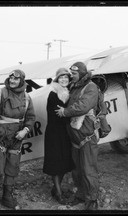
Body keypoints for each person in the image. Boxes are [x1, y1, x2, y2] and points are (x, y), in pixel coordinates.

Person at [0, 69, 35, 210]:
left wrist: (25, 130)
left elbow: (31, 117)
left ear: (22, 80)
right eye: (11, 78)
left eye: (16, 79)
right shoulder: (0, 93)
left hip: (16, 139)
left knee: (12, 169)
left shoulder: (27, 98)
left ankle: (7, 197)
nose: (12, 81)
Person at [55, 62, 100, 210]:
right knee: (77, 170)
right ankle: (81, 195)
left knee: (88, 170)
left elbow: (83, 106)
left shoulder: (91, 87)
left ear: (81, 73)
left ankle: (92, 201)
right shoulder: (74, 86)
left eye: (74, 73)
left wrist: (65, 112)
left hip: (87, 137)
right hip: (75, 137)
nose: (71, 75)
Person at [43, 68, 75, 205]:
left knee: (64, 162)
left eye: (66, 78)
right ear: (56, 79)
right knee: (56, 163)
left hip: (64, 132)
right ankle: (58, 192)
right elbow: (59, 115)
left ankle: (55, 189)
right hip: (55, 133)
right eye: (61, 77)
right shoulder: (53, 94)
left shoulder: (68, 93)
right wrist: (71, 113)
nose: (64, 80)